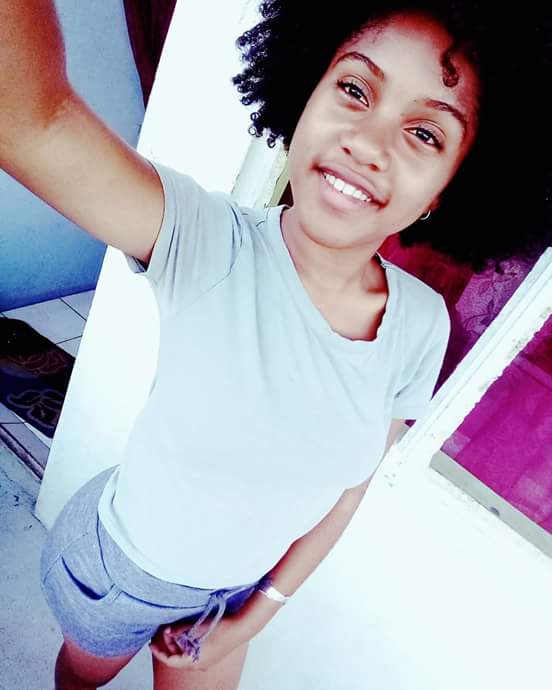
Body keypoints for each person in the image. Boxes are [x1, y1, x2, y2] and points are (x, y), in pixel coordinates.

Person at [1, 1, 550, 689]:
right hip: (122, 574)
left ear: (448, 189)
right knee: (81, 681)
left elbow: (348, 490)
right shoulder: (208, 241)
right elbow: (32, 121)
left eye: (423, 132)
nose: (368, 143)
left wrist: (254, 614)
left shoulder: (421, 323)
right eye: (355, 89)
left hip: (236, 598)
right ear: (306, 91)